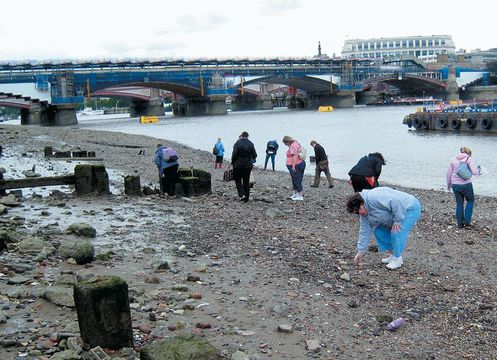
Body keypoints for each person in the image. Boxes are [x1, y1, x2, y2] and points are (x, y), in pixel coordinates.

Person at [346, 187, 421, 270]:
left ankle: (397, 259)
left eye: (358, 210)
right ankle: (393, 255)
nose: (359, 213)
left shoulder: (373, 197)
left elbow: (395, 201)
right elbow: (364, 232)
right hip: (397, 214)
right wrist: (361, 251)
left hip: (410, 207)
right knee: (379, 231)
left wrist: (398, 221)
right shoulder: (364, 215)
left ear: (361, 203)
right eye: (356, 213)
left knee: (396, 232)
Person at [446, 146, 480, 229]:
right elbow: (474, 172)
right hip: (466, 184)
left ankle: (460, 224)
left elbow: (448, 173)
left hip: (455, 185)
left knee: (459, 203)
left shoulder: (453, 159)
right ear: (468, 153)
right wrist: (479, 171)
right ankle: (467, 222)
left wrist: (448, 185)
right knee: (470, 200)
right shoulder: (469, 159)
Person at [231, 131, 257, 202]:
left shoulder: (237, 143)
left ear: (241, 136)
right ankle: (247, 197)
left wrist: (232, 162)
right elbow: (255, 155)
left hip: (238, 165)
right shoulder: (251, 144)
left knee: (238, 180)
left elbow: (234, 154)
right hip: (247, 165)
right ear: (248, 136)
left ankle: (242, 194)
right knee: (246, 181)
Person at [282, 135, 306, 201]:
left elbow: (294, 156)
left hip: (297, 164)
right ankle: (296, 193)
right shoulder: (296, 143)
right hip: (299, 164)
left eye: (285, 143)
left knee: (296, 179)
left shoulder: (293, 146)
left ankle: (300, 195)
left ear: (287, 142)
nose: (285, 145)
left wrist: (293, 166)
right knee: (296, 179)